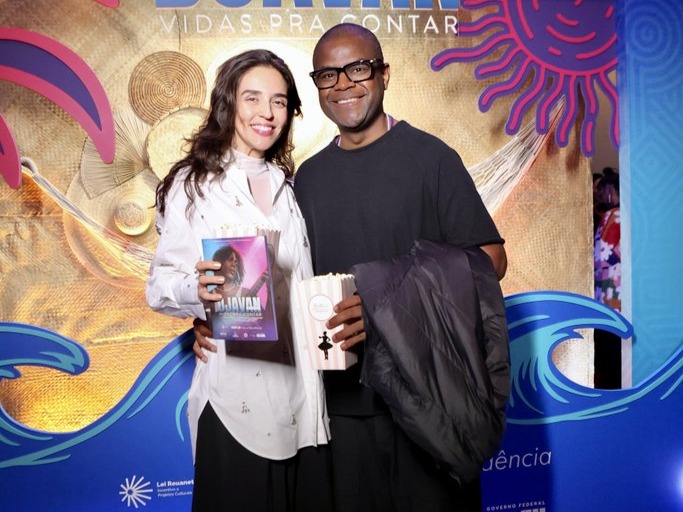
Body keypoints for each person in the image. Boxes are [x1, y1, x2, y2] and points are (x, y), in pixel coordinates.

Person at [293, 23, 508, 512]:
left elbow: (491, 259)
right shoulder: (309, 178)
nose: (343, 84)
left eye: (357, 69)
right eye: (328, 75)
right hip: (342, 405)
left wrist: (382, 304)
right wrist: (222, 320)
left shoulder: (432, 159)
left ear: (384, 75)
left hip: (427, 397)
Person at [146, 49, 331, 512]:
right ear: (228, 102)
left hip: (301, 392)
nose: (266, 113)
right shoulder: (193, 185)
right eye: (252, 98)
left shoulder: (292, 187)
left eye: (279, 101)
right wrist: (198, 295)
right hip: (234, 395)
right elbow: (160, 285)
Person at [594, 168, 621, 388]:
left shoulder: (612, 216)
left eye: (602, 191)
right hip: (618, 294)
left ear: (611, 191)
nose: (599, 196)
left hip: (608, 293)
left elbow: (602, 255)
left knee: (608, 353)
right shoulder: (627, 213)